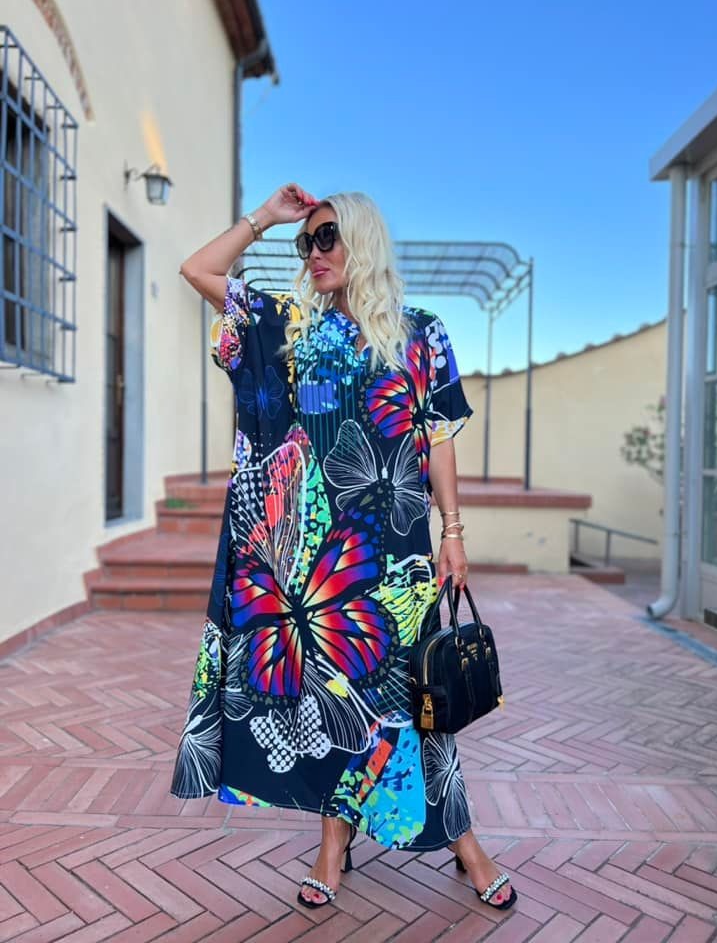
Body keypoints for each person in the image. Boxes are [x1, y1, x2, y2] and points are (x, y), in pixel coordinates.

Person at [170, 184, 517, 912]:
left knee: (416, 702)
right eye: (307, 243)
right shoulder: (294, 327)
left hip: (397, 556)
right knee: (336, 700)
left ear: (362, 241)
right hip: (320, 561)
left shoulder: (422, 334)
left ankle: (462, 840)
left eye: (327, 237)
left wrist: (454, 533)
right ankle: (334, 845)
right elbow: (198, 270)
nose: (313, 253)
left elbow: (439, 439)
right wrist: (266, 219)